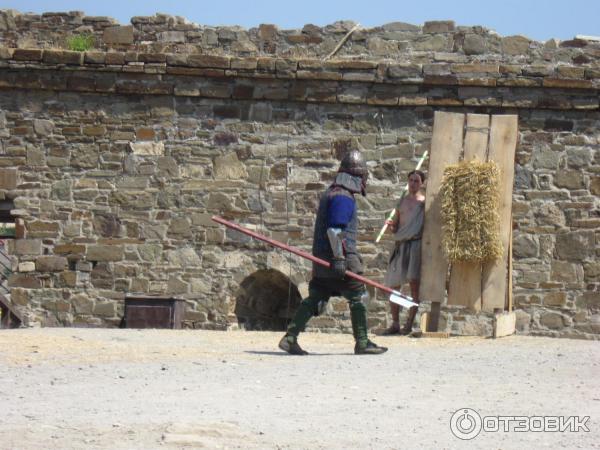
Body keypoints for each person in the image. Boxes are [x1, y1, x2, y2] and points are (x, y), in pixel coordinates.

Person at [278, 150, 388, 355]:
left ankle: (290, 337)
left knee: (317, 297)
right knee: (358, 295)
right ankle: (362, 342)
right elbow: (335, 230)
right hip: (339, 259)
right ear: (356, 176)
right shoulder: (343, 197)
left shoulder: (331, 193)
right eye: (363, 176)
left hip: (322, 261)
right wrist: (339, 258)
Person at [381, 170, 426, 335]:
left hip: (415, 245)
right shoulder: (401, 202)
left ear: (421, 183)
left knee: (414, 285)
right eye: (411, 180)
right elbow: (396, 228)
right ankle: (395, 323)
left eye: (416, 181)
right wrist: (390, 225)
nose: (413, 183)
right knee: (394, 286)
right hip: (400, 245)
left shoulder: (424, 204)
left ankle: (409, 323)